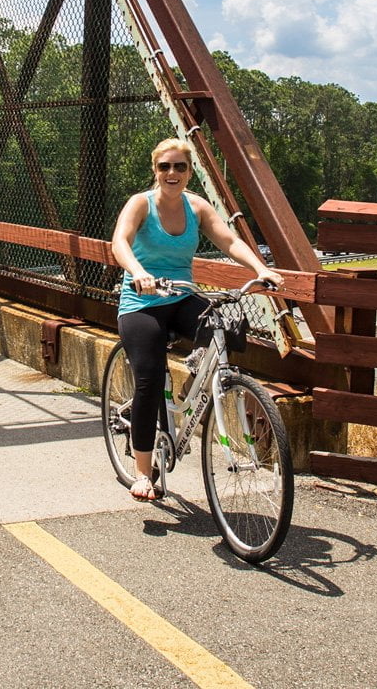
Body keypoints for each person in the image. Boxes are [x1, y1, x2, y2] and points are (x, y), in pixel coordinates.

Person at [111, 137, 284, 501]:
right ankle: (144, 472)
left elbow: (229, 241)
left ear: (190, 171)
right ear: (155, 170)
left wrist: (259, 268)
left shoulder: (197, 206)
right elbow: (120, 242)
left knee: (222, 325)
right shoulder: (140, 204)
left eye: (180, 167)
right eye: (165, 167)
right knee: (149, 378)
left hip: (182, 296)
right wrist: (138, 272)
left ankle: (194, 388)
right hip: (142, 302)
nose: (172, 173)